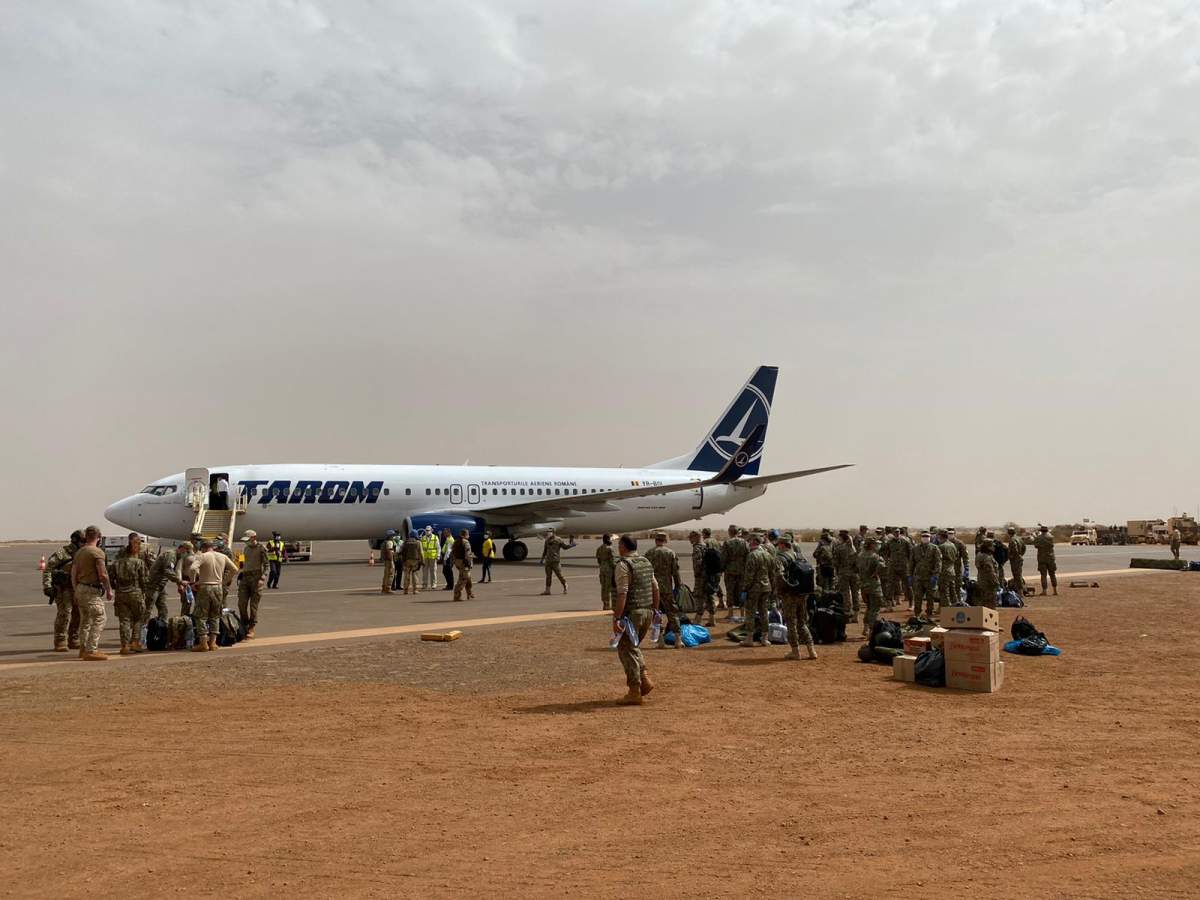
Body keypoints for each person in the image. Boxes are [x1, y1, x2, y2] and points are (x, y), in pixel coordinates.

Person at [611, 534, 660, 706]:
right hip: (647, 611)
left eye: (619, 545)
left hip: (632, 614)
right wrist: (655, 610)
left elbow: (622, 592)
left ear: (623, 546)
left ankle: (634, 691)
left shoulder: (623, 564)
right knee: (633, 647)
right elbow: (655, 588)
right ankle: (644, 679)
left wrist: (617, 617)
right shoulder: (646, 562)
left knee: (625, 649)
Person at [187, 539, 239, 651]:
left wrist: (193, 582)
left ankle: (203, 643)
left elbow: (192, 568)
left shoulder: (203, 556)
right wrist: (224, 581)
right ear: (213, 547)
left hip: (205, 587)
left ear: (203, 548)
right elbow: (235, 569)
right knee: (215, 615)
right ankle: (213, 643)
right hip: (218, 587)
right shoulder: (222, 556)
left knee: (201, 615)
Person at [69, 526, 112, 661]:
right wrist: (109, 589)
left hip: (80, 588)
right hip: (91, 590)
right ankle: (91, 649)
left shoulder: (79, 552)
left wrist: (76, 589)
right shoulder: (97, 553)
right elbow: (103, 574)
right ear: (98, 538)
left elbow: (73, 573)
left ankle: (83, 648)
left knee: (85, 620)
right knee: (100, 618)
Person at [775, 536, 817, 660]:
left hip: (790, 595)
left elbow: (779, 577)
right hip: (802, 594)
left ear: (782, 545)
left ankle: (795, 651)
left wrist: (780, 592)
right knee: (802, 622)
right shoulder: (799, 555)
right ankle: (811, 650)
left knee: (791, 622)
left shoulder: (780, 558)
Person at [43, 529, 83, 651]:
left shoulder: (84, 553)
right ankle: (60, 640)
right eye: (83, 540)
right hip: (64, 589)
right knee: (65, 614)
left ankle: (74, 638)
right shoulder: (63, 553)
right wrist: (47, 586)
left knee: (78, 615)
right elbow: (48, 569)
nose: (85, 543)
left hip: (78, 588)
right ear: (75, 541)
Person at [109, 534, 149, 656]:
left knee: (124, 620)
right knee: (139, 618)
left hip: (121, 594)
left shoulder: (116, 563)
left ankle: (124, 645)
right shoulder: (139, 563)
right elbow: (144, 580)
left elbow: (111, 578)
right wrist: (144, 591)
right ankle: (135, 642)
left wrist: (116, 587)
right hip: (135, 593)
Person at [644, 533, 683, 650]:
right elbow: (675, 572)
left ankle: (660, 640)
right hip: (666, 587)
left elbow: (646, 571)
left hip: (653, 587)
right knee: (672, 612)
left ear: (655, 540)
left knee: (656, 613)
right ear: (665, 540)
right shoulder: (670, 553)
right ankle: (678, 640)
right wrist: (678, 585)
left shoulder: (649, 553)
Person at [741, 534, 773, 647]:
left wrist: (745, 588)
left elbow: (749, 575)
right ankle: (765, 638)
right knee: (764, 612)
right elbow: (772, 572)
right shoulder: (767, 554)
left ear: (754, 542)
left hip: (754, 588)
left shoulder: (752, 555)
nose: (749, 543)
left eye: (750, 541)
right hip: (766, 587)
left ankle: (749, 638)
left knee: (750, 612)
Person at [238, 530, 269, 638]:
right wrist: (241, 573)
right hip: (245, 577)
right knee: (241, 603)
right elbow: (244, 563)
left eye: (248, 540)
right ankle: (244, 624)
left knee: (253, 606)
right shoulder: (246, 548)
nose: (246, 542)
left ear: (254, 538)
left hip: (256, 578)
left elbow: (266, 565)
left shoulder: (261, 548)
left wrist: (263, 577)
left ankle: (251, 627)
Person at [856, 537, 885, 638]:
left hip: (864, 586)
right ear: (871, 545)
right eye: (875, 544)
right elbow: (882, 566)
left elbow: (855, 568)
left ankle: (865, 628)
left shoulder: (860, 555)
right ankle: (872, 631)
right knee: (875, 609)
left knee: (868, 608)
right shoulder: (875, 557)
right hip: (874, 586)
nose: (877, 546)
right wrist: (876, 573)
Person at [910, 530, 941, 619]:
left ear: (930, 538)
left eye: (927, 536)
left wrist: (935, 575)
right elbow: (911, 563)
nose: (925, 538)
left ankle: (929, 613)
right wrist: (910, 575)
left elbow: (938, 563)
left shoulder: (934, 548)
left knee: (930, 597)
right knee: (918, 597)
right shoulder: (915, 549)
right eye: (924, 536)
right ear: (921, 538)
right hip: (918, 577)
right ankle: (917, 613)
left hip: (929, 577)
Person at [688, 531, 716, 627]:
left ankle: (698, 619)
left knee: (699, 596)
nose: (690, 539)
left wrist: (697, 574)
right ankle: (712, 618)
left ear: (696, 537)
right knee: (709, 595)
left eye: (691, 537)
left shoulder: (697, 548)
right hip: (709, 575)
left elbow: (697, 563)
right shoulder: (706, 546)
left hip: (701, 577)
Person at [832, 529, 860, 623]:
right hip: (854, 574)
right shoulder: (853, 548)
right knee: (855, 593)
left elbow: (835, 563)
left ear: (840, 537)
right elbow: (857, 562)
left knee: (845, 594)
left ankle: (848, 613)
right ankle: (856, 614)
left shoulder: (839, 548)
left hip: (843, 573)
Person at [720, 525, 748, 619]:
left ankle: (731, 613)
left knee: (730, 591)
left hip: (730, 570)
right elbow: (747, 556)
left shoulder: (727, 543)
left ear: (730, 532)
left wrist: (722, 569)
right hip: (742, 570)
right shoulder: (744, 542)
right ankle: (742, 613)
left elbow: (724, 558)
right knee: (741, 591)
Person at [539, 529, 575, 595]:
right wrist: (542, 559)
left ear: (553, 533)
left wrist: (571, 545)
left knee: (559, 575)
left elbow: (565, 547)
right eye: (547, 532)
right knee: (548, 576)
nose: (548, 533)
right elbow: (545, 550)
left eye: (549, 532)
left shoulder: (558, 539)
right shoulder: (547, 540)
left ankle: (565, 585)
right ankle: (547, 590)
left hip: (555, 561)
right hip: (548, 561)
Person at [936, 529, 961, 610]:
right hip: (952, 571)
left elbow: (938, 561)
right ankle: (957, 609)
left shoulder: (941, 547)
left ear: (940, 536)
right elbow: (956, 557)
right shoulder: (953, 545)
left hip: (943, 572)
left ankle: (947, 611)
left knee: (944, 593)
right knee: (953, 592)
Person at [702, 528, 726, 608]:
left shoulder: (705, 542)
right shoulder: (716, 541)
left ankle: (709, 604)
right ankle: (721, 601)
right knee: (716, 584)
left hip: (709, 568)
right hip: (718, 567)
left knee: (708, 585)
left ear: (704, 534)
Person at [974, 538, 1001, 608]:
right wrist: (996, 583)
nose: (994, 547)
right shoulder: (987, 558)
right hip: (989, 583)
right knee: (990, 603)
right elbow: (990, 572)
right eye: (992, 546)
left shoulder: (979, 555)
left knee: (982, 601)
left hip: (981, 580)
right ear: (988, 547)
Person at [451, 530, 475, 601]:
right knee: (463, 579)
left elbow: (452, 552)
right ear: (465, 535)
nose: (469, 536)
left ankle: (469, 593)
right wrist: (468, 563)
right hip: (464, 563)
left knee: (468, 578)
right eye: (468, 534)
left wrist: (455, 562)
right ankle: (457, 595)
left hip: (458, 562)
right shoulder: (466, 542)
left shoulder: (456, 541)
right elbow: (468, 554)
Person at [1033, 525, 1058, 596]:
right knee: (1052, 574)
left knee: (1043, 575)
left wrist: (1036, 537)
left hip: (1042, 558)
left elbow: (1035, 545)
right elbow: (1052, 545)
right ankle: (1055, 590)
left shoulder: (1039, 538)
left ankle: (1044, 591)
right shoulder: (1051, 537)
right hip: (1050, 558)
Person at [596, 533, 616, 610]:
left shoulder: (599, 548)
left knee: (603, 587)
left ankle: (605, 603)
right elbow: (612, 561)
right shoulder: (610, 549)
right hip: (609, 570)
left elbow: (598, 560)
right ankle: (608, 604)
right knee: (609, 588)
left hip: (602, 570)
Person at [401, 530, 424, 595]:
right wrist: (422, 561)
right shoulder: (418, 542)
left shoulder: (405, 542)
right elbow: (421, 553)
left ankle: (405, 590)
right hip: (415, 561)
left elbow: (401, 551)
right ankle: (415, 590)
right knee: (415, 575)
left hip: (407, 561)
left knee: (406, 575)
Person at [1006, 527, 1026, 594]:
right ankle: (1020, 590)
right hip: (1019, 558)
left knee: (1017, 575)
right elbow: (1024, 548)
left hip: (1015, 560)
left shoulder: (1012, 540)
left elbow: (1015, 550)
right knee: (1018, 575)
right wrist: (1021, 555)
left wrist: (1012, 556)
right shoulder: (1019, 538)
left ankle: (1020, 592)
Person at [420, 526, 439, 590]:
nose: (427, 531)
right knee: (424, 571)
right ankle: (424, 584)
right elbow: (421, 548)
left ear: (431, 530)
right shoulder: (423, 538)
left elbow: (438, 547)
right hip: (425, 557)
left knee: (433, 571)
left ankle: (433, 584)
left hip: (432, 557)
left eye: (428, 530)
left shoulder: (435, 537)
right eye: (426, 530)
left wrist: (438, 555)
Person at [381, 529, 397, 595]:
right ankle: (388, 588)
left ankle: (384, 588)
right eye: (393, 535)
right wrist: (391, 561)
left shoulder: (384, 542)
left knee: (386, 575)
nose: (393, 536)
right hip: (389, 560)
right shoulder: (390, 542)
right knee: (391, 574)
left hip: (386, 560)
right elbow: (389, 551)